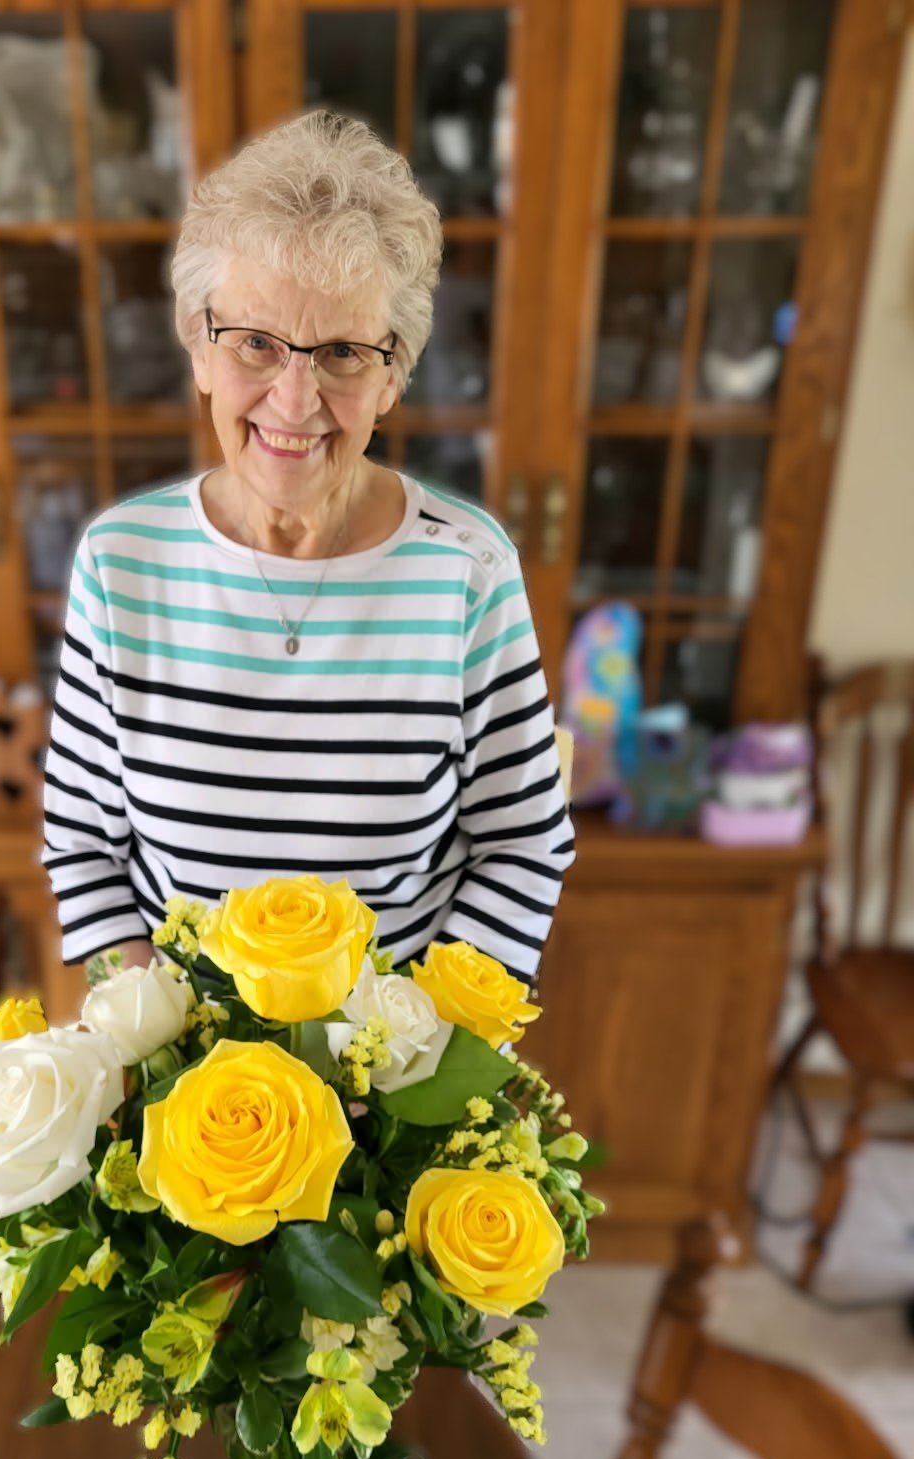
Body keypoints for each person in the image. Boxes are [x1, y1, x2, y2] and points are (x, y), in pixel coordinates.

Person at [41, 109, 575, 984]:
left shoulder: (467, 571)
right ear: (199, 349)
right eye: (256, 343)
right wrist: (151, 1035)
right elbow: (82, 843)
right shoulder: (118, 563)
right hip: (181, 1054)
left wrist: (417, 1043)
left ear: (393, 375)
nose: (295, 401)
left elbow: (522, 842)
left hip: (402, 1051)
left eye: (342, 353)